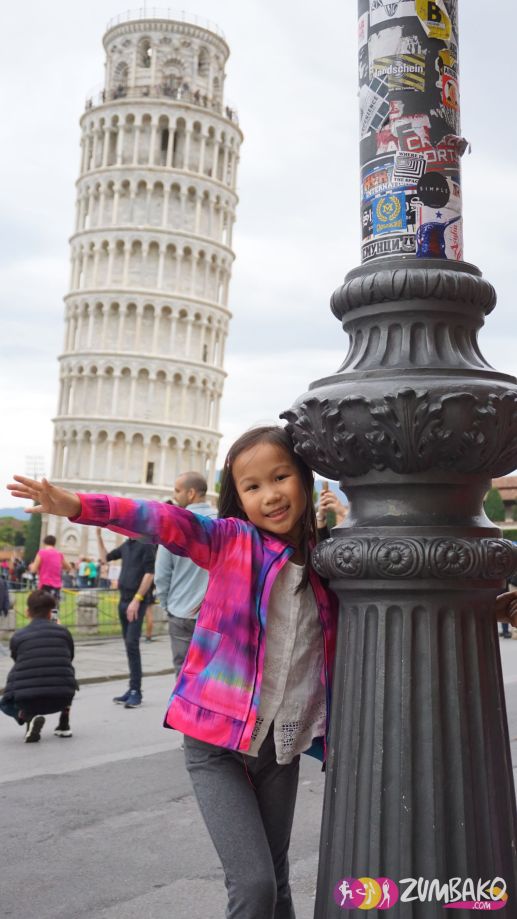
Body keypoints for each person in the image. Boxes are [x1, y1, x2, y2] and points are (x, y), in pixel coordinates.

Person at [7, 429, 517, 919]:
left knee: (276, 880)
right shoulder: (230, 542)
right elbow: (164, 520)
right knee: (253, 885)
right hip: (215, 745)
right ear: (239, 498)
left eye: (280, 478)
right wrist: (77, 505)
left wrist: (484, 611)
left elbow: (394, 613)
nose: (270, 495)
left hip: (280, 747)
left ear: (305, 480)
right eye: (252, 487)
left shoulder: (331, 564)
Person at [155, 473, 217, 674]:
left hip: (180, 611)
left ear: (191, 493)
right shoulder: (223, 522)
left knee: (183, 673)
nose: (174, 496)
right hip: (214, 614)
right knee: (209, 674)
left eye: (177, 491)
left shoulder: (173, 525)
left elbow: (162, 574)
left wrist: (167, 605)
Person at [0, 589, 76, 742]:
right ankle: (64, 724)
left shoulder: (19, 636)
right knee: (65, 671)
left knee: (6, 700)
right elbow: (70, 657)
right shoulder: (64, 633)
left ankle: (26, 716)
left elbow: (17, 660)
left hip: (29, 699)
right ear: (51, 613)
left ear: (27, 612)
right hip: (62, 697)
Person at [96, 528, 155, 708]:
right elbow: (105, 558)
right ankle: (132, 688)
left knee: (132, 644)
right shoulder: (127, 545)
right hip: (123, 600)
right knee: (129, 647)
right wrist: (99, 537)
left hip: (136, 602)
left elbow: (149, 573)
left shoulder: (146, 544)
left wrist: (137, 599)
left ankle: (136, 691)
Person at [29, 534, 70, 606]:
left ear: (44, 543)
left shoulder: (41, 552)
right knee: (54, 607)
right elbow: (68, 567)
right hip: (57, 585)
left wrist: (32, 566)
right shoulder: (59, 554)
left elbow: (34, 569)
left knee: (44, 606)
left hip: (45, 584)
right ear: (54, 543)